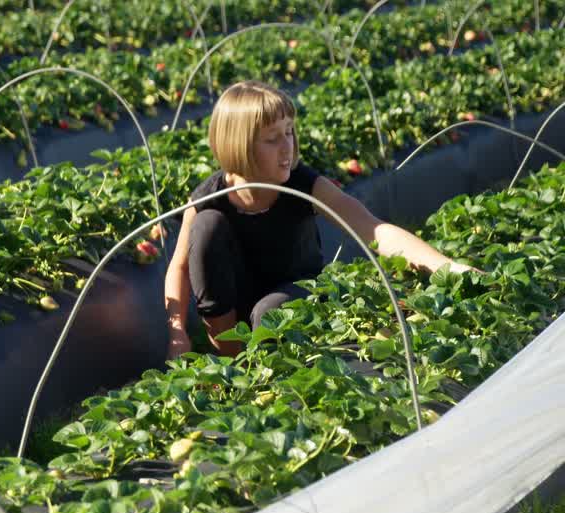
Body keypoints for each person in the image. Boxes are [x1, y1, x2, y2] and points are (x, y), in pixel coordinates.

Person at [164, 80, 475, 359]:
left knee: (269, 312)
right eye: (272, 139)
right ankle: (231, 364)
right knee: (206, 226)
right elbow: (179, 267)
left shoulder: (303, 185)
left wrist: (446, 267)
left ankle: (271, 366)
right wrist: (177, 331)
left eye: (289, 132)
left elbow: (373, 229)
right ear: (239, 146)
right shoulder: (209, 197)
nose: (287, 146)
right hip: (234, 312)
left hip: (296, 298)